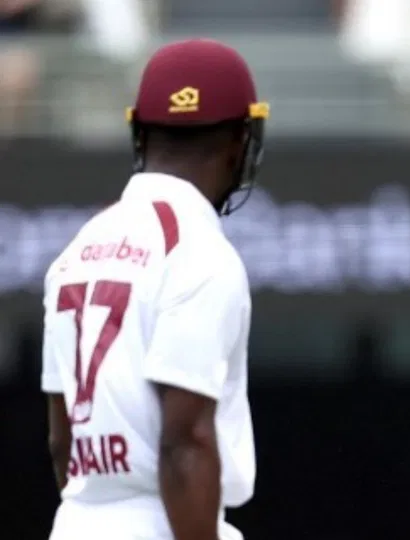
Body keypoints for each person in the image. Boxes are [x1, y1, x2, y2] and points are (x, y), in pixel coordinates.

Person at [40, 38, 269, 540]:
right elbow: (184, 442)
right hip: (164, 522)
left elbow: (63, 441)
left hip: (76, 519)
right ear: (241, 141)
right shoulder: (200, 252)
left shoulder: (76, 250)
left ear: (138, 134)